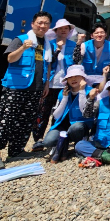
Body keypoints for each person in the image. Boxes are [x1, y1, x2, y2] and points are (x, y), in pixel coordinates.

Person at [0, 11, 53, 170]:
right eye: (40, 22)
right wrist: (23, 48)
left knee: (25, 121)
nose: (43, 26)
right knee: (6, 119)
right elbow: (10, 59)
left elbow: (47, 65)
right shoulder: (21, 39)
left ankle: (16, 150)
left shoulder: (47, 44)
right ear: (33, 24)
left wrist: (46, 84)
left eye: (46, 23)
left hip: (36, 88)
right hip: (16, 87)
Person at [31, 18, 78, 151]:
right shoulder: (49, 44)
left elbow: (76, 63)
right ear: (56, 30)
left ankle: (56, 138)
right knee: (43, 111)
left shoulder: (73, 45)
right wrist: (57, 50)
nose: (63, 30)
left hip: (66, 84)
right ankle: (38, 139)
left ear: (69, 31)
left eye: (66, 28)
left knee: (61, 111)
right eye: (61, 28)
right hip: (50, 83)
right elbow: (47, 63)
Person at [42, 65, 94, 164]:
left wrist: (82, 91)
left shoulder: (88, 91)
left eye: (77, 76)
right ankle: (63, 144)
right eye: (70, 77)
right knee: (48, 141)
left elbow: (85, 112)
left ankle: (79, 145)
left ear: (83, 78)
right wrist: (65, 99)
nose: (73, 79)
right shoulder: (63, 92)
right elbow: (56, 116)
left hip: (80, 125)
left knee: (76, 127)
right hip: (63, 126)